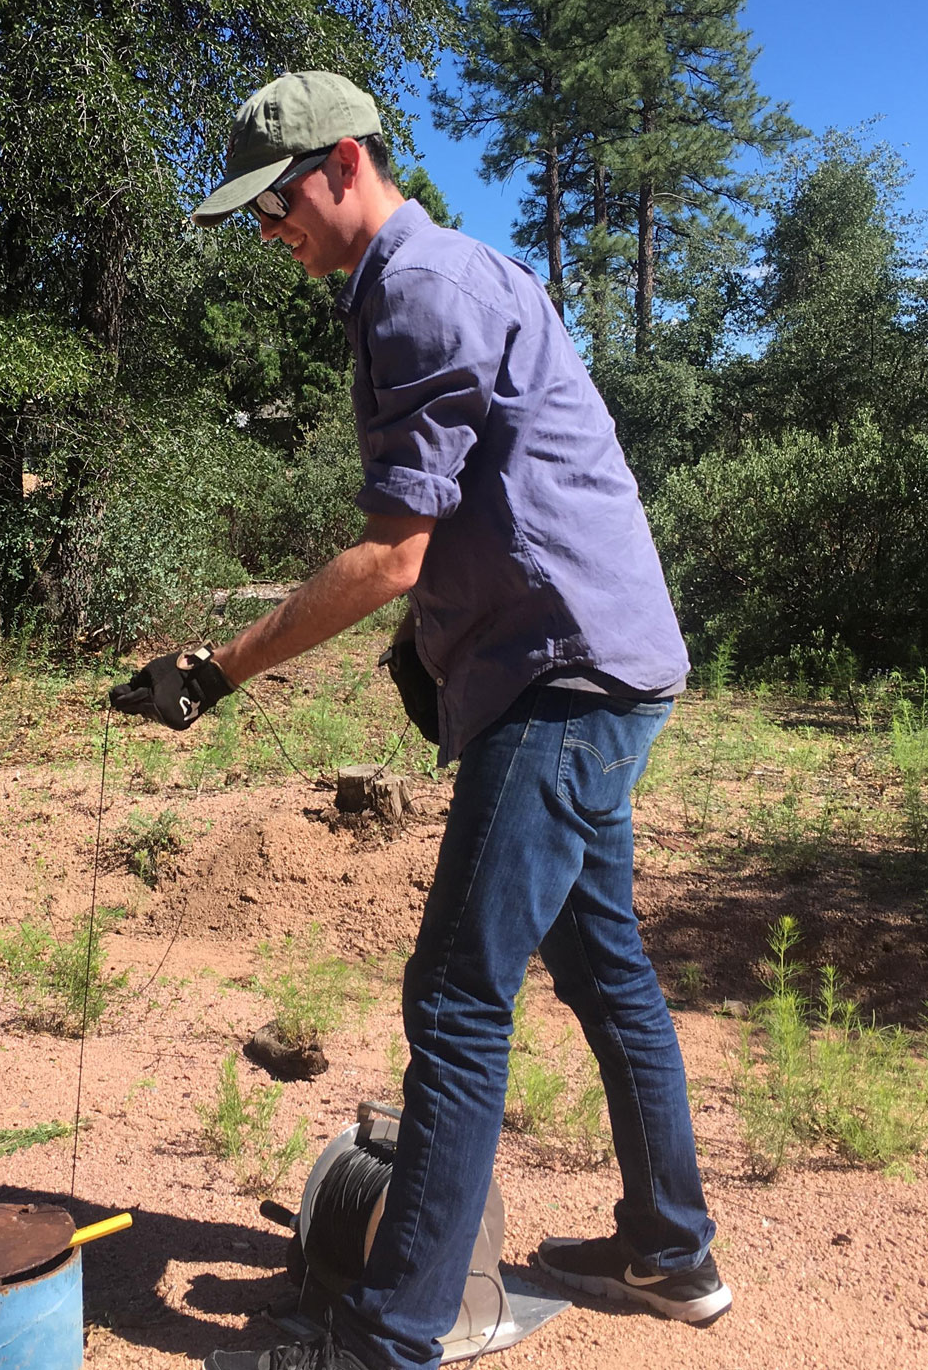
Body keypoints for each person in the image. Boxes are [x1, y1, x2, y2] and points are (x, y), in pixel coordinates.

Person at [109, 71, 729, 1370]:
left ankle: (388, 1337)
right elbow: (490, 506)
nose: (272, 236)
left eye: (276, 206)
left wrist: (216, 671)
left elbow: (397, 549)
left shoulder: (418, 292)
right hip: (584, 661)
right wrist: (424, 639)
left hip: (561, 681)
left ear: (343, 163)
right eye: (255, 220)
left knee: (454, 994)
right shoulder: (436, 280)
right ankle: (672, 1254)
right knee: (603, 962)